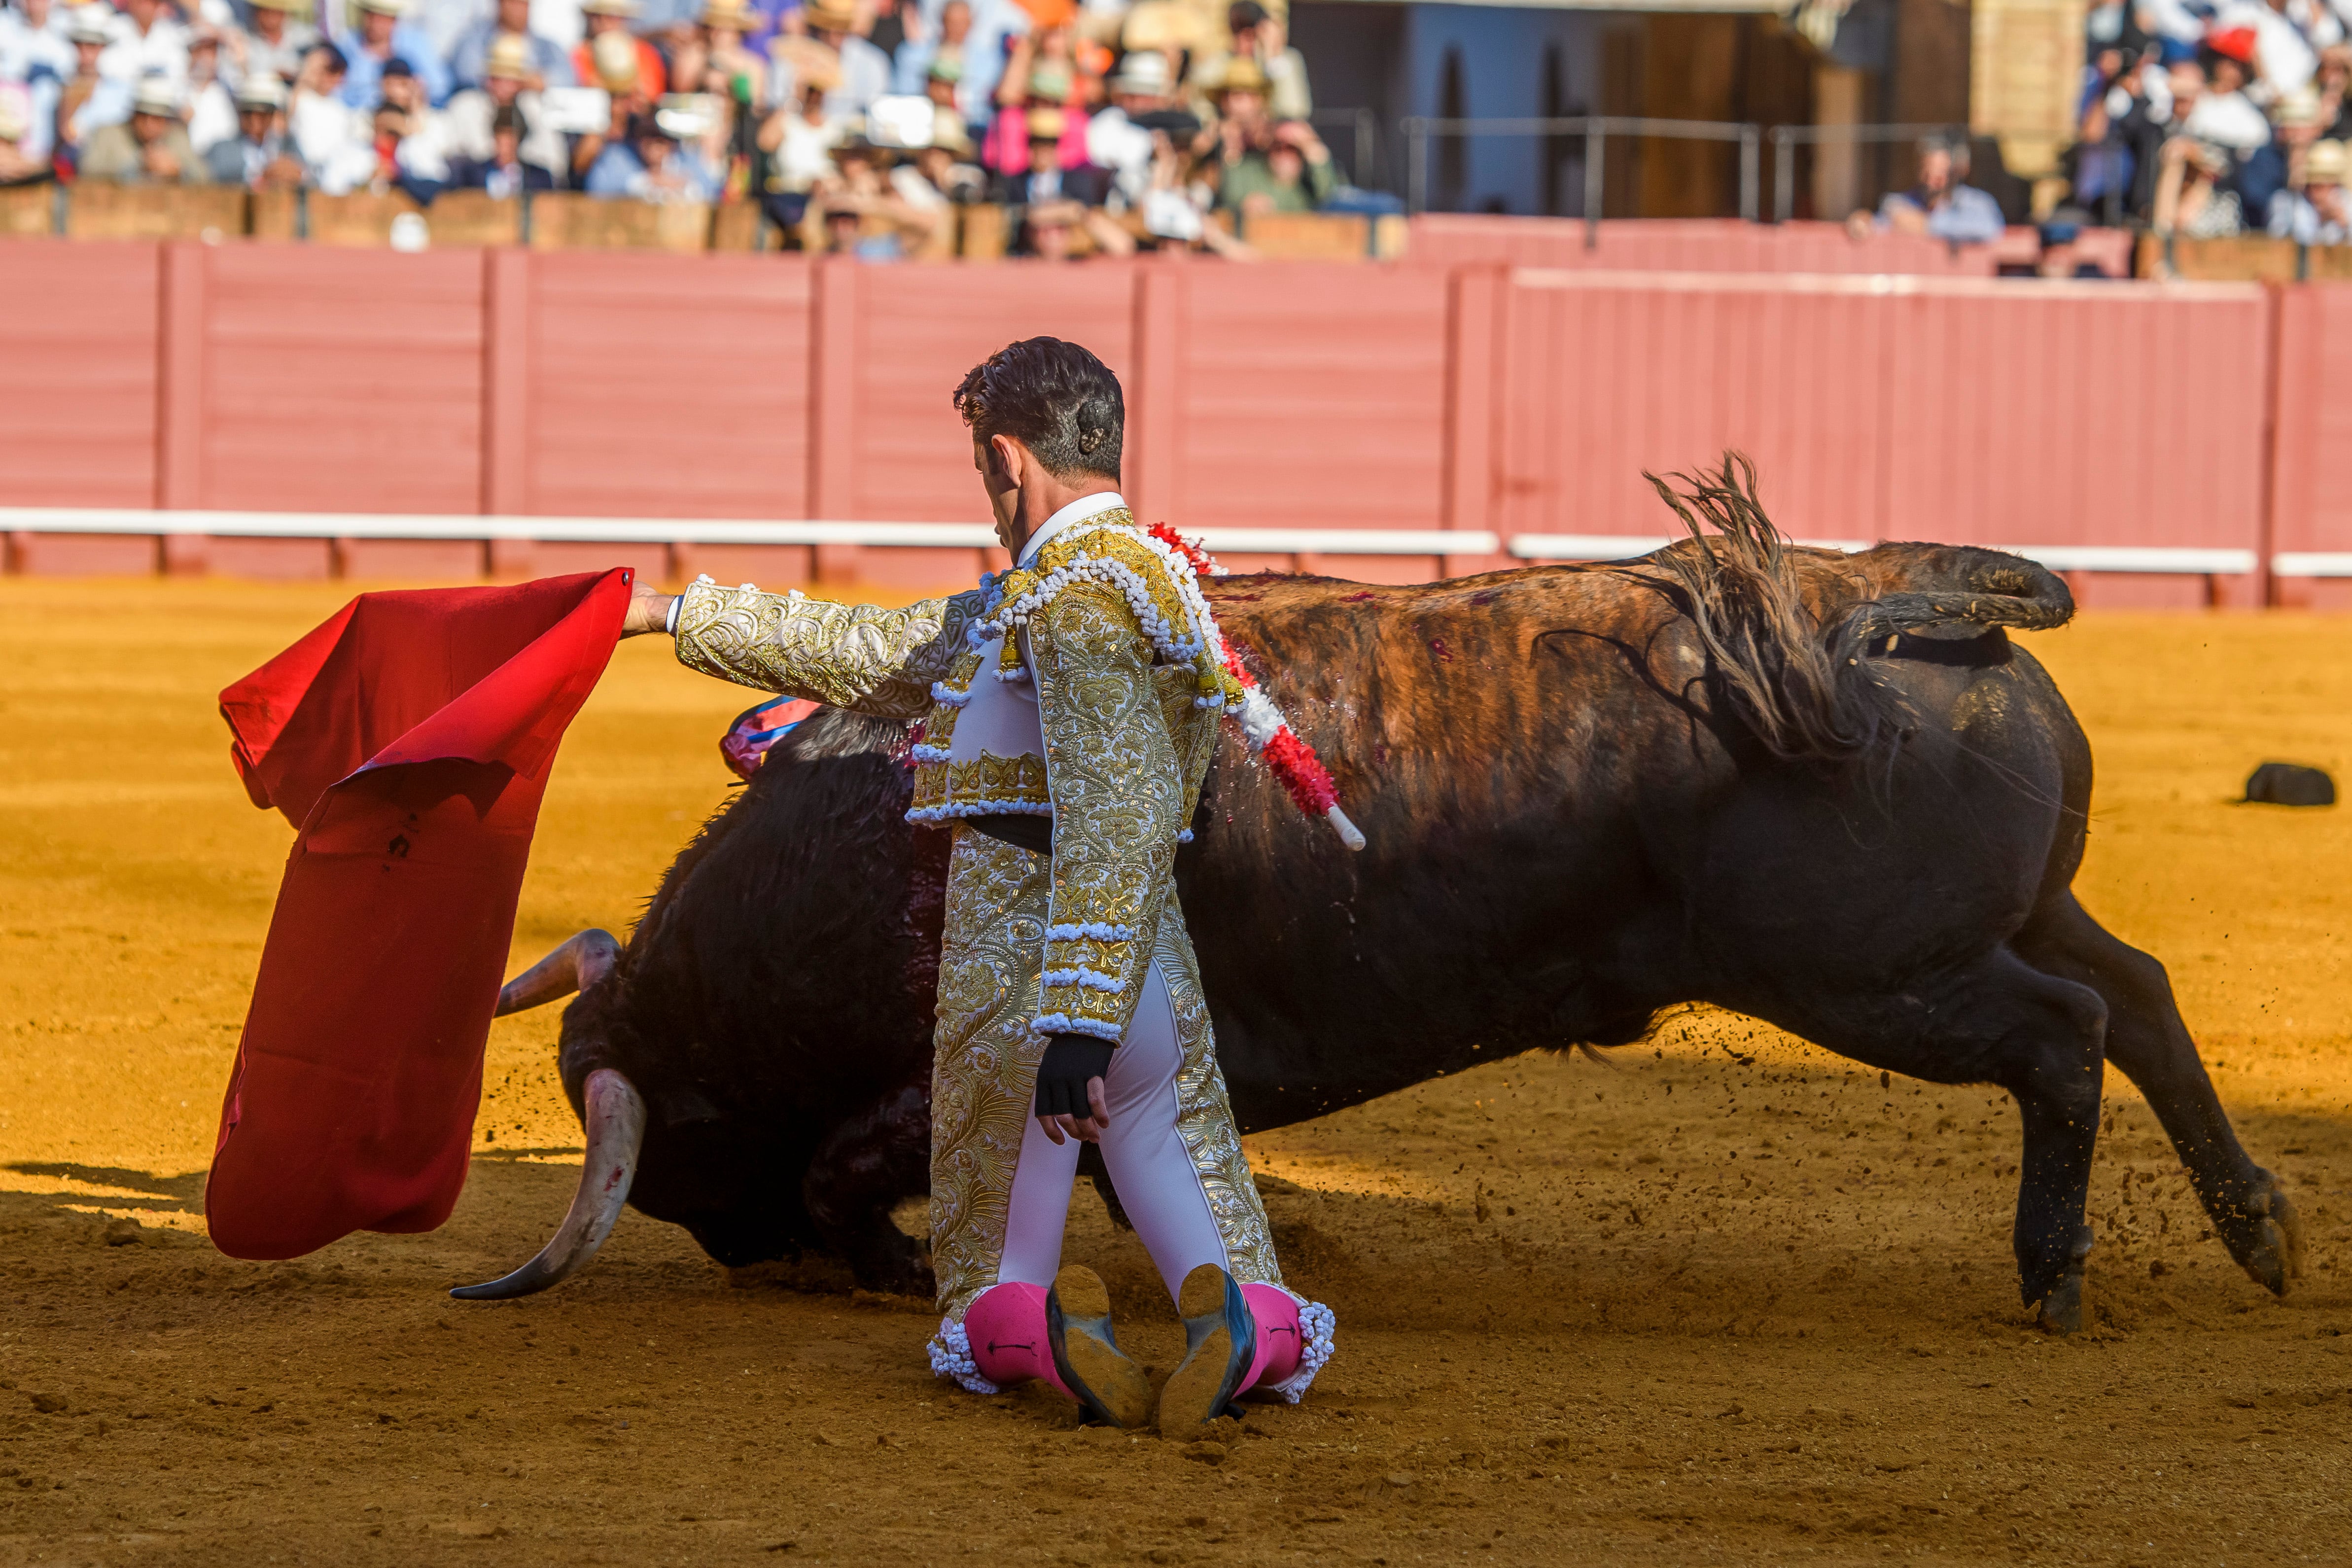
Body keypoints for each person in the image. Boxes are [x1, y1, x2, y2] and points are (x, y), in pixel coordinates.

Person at [618, 337, 1333, 1431]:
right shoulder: (1146, 584)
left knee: (999, 1257)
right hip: (1152, 970)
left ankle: (1034, 1338)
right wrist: (679, 615)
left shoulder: (1061, 611)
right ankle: (1241, 1334)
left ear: (1007, 460)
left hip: (1033, 974)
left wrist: (1078, 1019)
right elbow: (863, 650)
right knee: (1179, 1166)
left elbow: (1119, 805)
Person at [443, 32, 567, 187]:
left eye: (512, 79)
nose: (505, 85)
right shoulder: (464, 107)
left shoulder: (535, 108)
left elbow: (555, 163)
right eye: (498, 77)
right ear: (487, 79)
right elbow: (451, 157)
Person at [1859, 136, 2005, 243]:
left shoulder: (1977, 202)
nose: (1932, 179)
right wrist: (1864, 220)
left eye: (1940, 171)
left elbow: (1990, 229)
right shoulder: (1903, 202)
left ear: (1956, 170)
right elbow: (1880, 222)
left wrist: (1928, 225)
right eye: (1926, 170)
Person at [77, 76, 209, 181]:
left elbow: (205, 177)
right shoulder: (108, 134)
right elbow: (87, 170)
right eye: (143, 116)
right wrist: (139, 169)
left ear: (167, 121)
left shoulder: (178, 138)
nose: (149, 124)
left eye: (157, 118)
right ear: (133, 115)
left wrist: (179, 172)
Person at [333, 0, 452, 109]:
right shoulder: (347, 44)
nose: (375, 23)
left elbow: (440, 87)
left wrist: (415, 91)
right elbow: (335, 92)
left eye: (382, 17)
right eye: (370, 14)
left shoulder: (415, 41)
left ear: (394, 19)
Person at [583, 108, 718, 199]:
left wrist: (682, 185)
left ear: (672, 143)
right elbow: (596, 186)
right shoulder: (618, 156)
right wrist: (647, 181)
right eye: (647, 137)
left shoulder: (687, 158)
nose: (654, 145)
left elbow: (711, 190)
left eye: (661, 139)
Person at [203, 68, 304, 187]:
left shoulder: (288, 145)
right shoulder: (221, 149)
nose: (254, 120)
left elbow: (313, 180)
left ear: (272, 114)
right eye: (248, 112)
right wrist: (262, 175)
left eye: (262, 113)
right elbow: (209, 178)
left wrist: (297, 174)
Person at [450, 0, 575, 93]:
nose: (519, 9)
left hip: (529, 105)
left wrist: (530, 82)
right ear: (500, 5)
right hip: (486, 102)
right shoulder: (477, 38)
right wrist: (498, 81)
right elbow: (465, 71)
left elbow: (568, 77)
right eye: (513, 3)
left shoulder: (546, 46)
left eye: (524, 4)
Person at [1217, 116, 1331, 214]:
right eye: (1277, 146)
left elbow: (1329, 196)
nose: (1283, 154)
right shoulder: (1249, 169)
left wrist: (1310, 145)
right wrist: (1242, 206)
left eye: (1292, 148)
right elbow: (1228, 196)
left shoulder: (1309, 180)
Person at [446, 101, 553, 191]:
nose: (506, 145)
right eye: (501, 137)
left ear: (520, 139)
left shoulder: (539, 177)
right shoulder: (474, 175)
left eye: (511, 137)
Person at [572, 0, 662, 98]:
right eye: (596, 16)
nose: (604, 22)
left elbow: (653, 95)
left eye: (611, 16)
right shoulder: (579, 54)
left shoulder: (645, 53)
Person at [2268, 135, 2350, 241]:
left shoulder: (2347, 203)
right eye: (2316, 184)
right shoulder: (2286, 202)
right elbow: (2279, 241)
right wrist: (2320, 220)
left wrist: (2345, 226)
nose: (2321, 191)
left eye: (2330, 184)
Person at [241, 0, 320, 87]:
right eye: (266, 10)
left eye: (276, 11)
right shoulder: (245, 39)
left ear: (285, 13)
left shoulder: (305, 37)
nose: (270, 16)